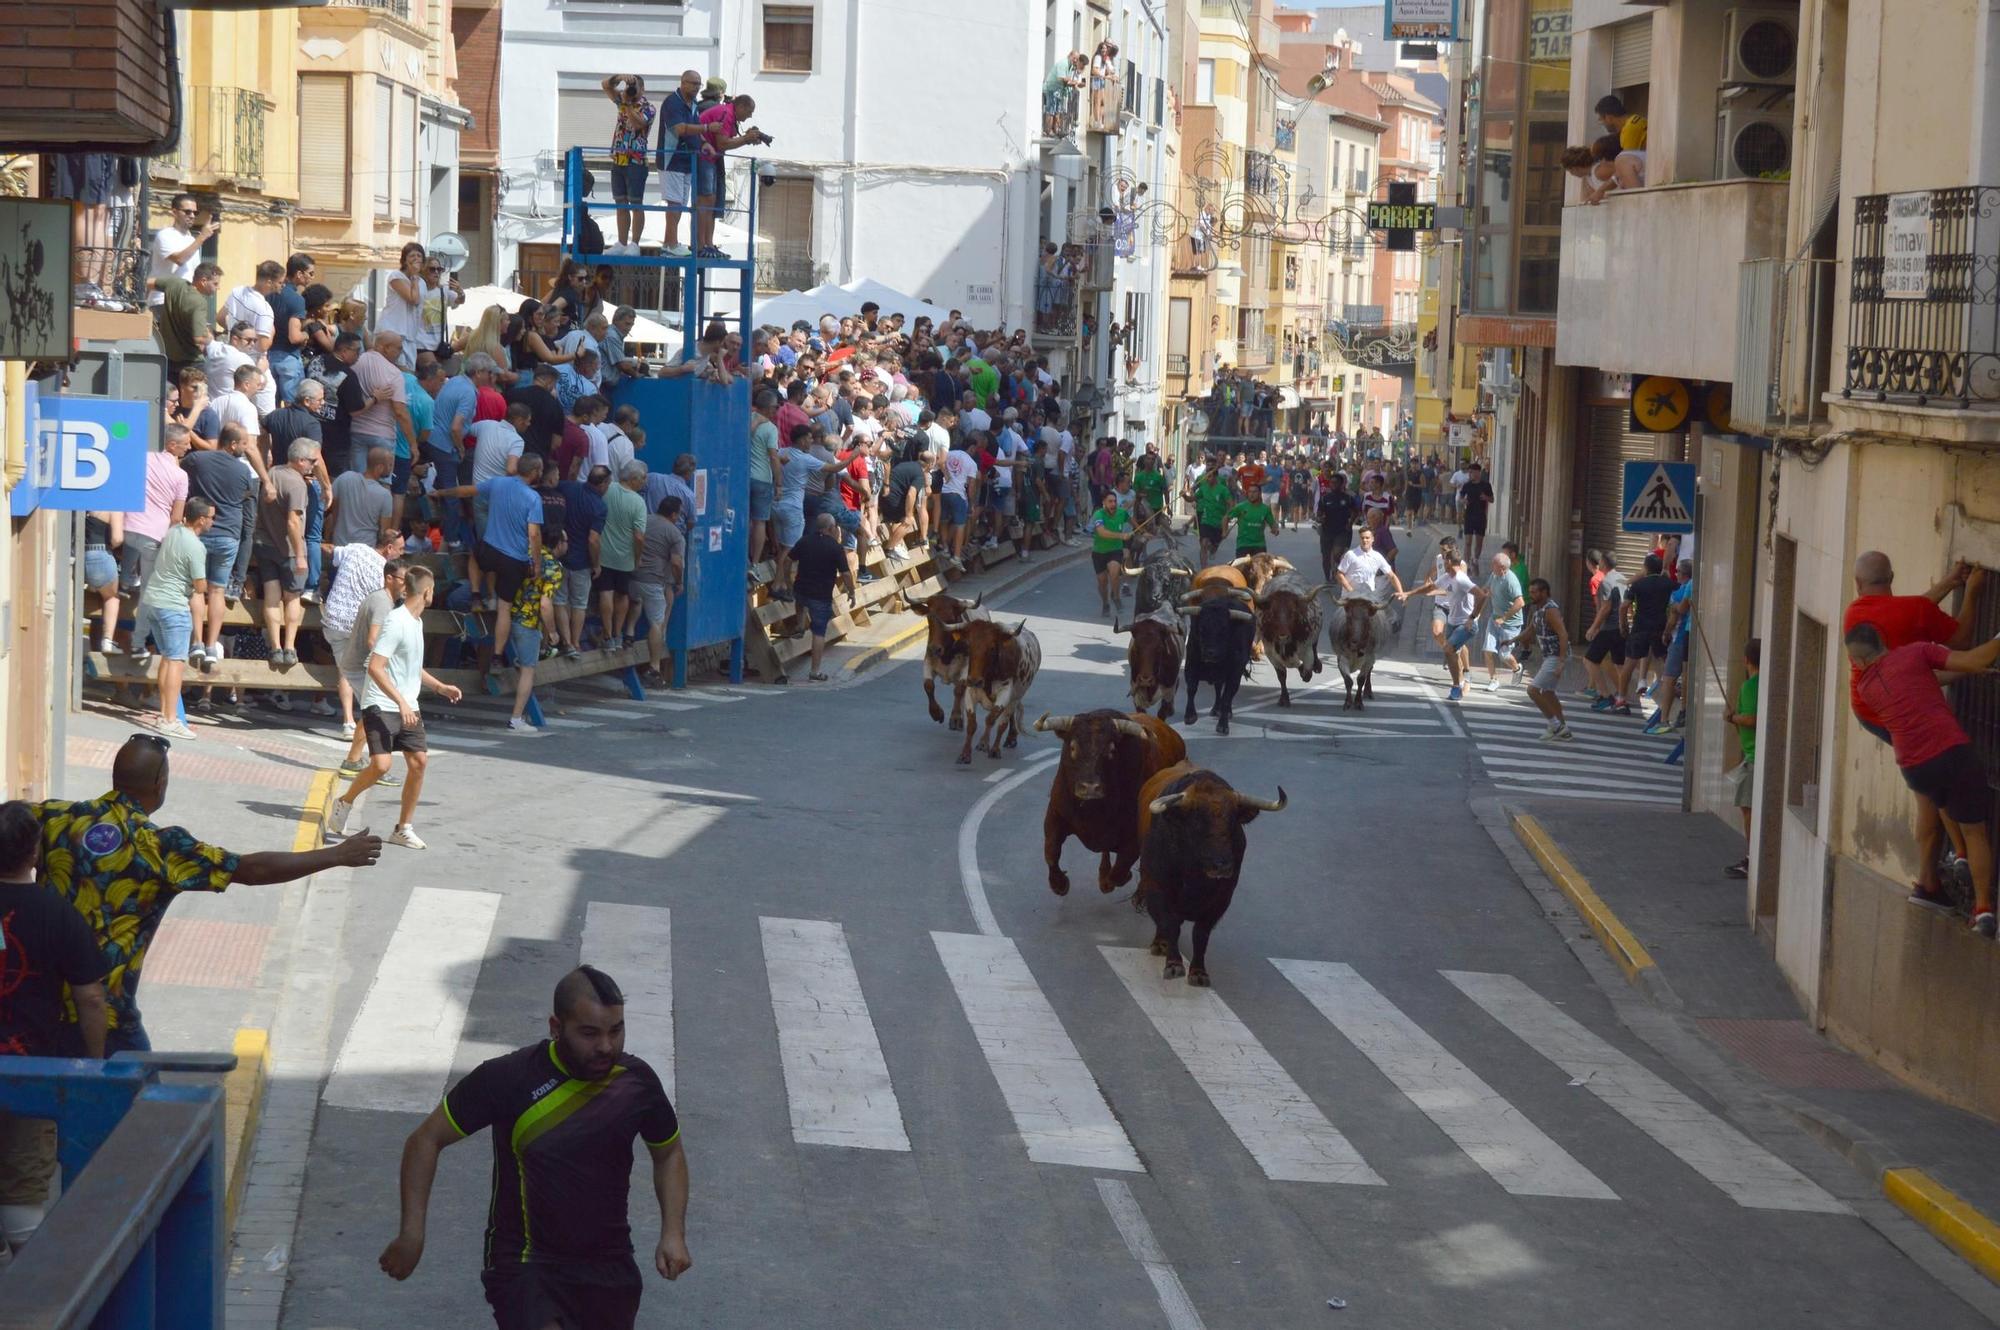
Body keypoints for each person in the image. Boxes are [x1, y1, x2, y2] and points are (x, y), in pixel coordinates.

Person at [377, 966, 690, 1327]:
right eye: (589, 1033)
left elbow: (668, 1152)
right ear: (556, 1028)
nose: (606, 1046)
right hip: (526, 1261)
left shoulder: (636, 1083)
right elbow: (425, 1140)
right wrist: (412, 1232)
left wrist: (673, 1232)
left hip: (608, 1264)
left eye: (616, 1030)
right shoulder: (510, 1079)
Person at [37, 735, 383, 1053]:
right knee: (141, 1112)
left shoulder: (54, 817)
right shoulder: (158, 846)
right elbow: (250, 870)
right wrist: (335, 855)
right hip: (106, 1017)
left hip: (38, 1004)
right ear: (161, 784)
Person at [0, 799, 110, 1260]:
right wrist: (95, 1062)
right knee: (24, 1180)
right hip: (31, 1068)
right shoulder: (56, 913)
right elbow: (91, 997)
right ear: (34, 853)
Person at [1845, 552, 1985, 900]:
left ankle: (1940, 872)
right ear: (1892, 577)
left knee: (1928, 788)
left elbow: (1911, 610)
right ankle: (1956, 858)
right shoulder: (1911, 612)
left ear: (1858, 584)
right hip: (1902, 711)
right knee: (1931, 794)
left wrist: (1950, 582)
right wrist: (1972, 593)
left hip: (1869, 707)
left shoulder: (1856, 612)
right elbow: (1963, 640)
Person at [1844, 623, 2000, 934]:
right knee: (1976, 831)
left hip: (1915, 768)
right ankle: (1983, 909)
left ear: (1858, 662)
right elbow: (1973, 661)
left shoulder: (1865, 689)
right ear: (1884, 639)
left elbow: (1911, 685)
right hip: (1952, 751)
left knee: (1938, 804)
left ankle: (1958, 858)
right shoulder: (1916, 652)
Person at [328, 567, 463, 850]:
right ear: (427, 592)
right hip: (380, 703)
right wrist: (400, 701)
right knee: (381, 765)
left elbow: (412, 668)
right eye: (433, 589)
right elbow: (376, 667)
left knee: (419, 762)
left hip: (406, 705)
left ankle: (403, 829)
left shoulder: (416, 623)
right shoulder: (395, 621)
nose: (433, 594)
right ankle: (344, 802)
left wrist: (440, 687)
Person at [323, 530, 406, 750]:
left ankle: (349, 721)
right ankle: (372, 718)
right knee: (363, 681)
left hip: (332, 619)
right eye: (400, 549)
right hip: (356, 626)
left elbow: (330, 550)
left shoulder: (357, 548)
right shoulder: (386, 574)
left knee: (345, 670)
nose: (402, 553)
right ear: (389, 549)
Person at [255, 439, 315, 668]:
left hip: (264, 543)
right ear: (301, 461)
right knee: (292, 598)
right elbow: (293, 522)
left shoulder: (273, 472)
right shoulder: (297, 485)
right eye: (312, 461)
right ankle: (289, 646)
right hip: (289, 550)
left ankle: (275, 647)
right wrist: (300, 555)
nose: (314, 465)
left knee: (271, 595)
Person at [693, 93, 770, 259]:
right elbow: (723, 143)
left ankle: (708, 243)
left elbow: (726, 140)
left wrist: (746, 138)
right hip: (703, 156)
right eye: (749, 112)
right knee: (705, 200)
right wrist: (746, 139)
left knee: (712, 202)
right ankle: (700, 245)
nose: (749, 116)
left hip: (712, 158)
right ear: (740, 107)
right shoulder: (725, 114)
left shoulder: (728, 114)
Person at [505, 529, 566, 732]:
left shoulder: (530, 555)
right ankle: (516, 718)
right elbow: (546, 604)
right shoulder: (555, 568)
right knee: (528, 671)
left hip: (510, 614)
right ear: (558, 544)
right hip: (529, 622)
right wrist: (553, 632)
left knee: (523, 664)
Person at [789, 511, 854, 682]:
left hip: (801, 589)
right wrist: (851, 591)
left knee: (800, 602)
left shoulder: (804, 541)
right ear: (831, 528)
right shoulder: (835, 547)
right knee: (819, 633)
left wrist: (787, 580)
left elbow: (789, 559)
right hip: (821, 595)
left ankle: (800, 625)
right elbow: (846, 574)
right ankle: (815, 671)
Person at [633, 496, 686, 688]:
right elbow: (676, 563)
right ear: (673, 514)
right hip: (654, 581)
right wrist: (679, 582)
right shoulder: (675, 534)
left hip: (632, 575)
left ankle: (627, 634)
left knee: (635, 604)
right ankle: (654, 667)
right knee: (656, 623)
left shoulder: (644, 519)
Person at [1613, 553, 1676, 716]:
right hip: (1660, 628)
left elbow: (1623, 606)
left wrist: (1623, 624)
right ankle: (1664, 705)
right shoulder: (1668, 584)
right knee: (1663, 666)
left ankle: (1621, 699)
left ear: (1645, 569)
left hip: (1640, 627)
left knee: (1629, 664)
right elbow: (1675, 603)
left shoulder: (1637, 585)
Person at [1514, 578, 1576, 742]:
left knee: (1533, 690)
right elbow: (1530, 630)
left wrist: (1561, 661)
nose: (1531, 595)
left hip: (1556, 656)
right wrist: (1513, 640)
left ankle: (1556, 725)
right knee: (1548, 693)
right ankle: (1563, 729)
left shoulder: (1551, 610)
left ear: (1544, 593)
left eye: (1534, 592)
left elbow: (1563, 635)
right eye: (1530, 592)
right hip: (1550, 655)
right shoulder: (1538, 611)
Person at [653, 69, 706, 258]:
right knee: (674, 202)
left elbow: (695, 132)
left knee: (681, 204)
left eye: (699, 84)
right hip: (671, 159)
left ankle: (670, 243)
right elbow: (680, 129)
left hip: (687, 161)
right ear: (683, 83)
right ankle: (671, 243)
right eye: (693, 83)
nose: (697, 87)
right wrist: (707, 128)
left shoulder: (694, 105)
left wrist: (705, 143)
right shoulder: (672, 102)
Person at [602, 75, 655, 253]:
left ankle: (634, 244)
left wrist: (627, 105)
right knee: (620, 203)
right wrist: (618, 78)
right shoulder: (622, 100)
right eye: (629, 87)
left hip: (636, 160)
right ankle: (621, 243)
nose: (631, 91)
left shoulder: (649, 108)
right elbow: (605, 86)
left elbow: (638, 123)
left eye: (635, 88)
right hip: (619, 158)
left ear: (643, 89)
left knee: (636, 203)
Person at [1725, 638, 1761, 879]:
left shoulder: (1750, 687)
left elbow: (1751, 719)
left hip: (1754, 756)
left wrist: (1732, 718)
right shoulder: (1763, 684)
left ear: (1746, 660)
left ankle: (1751, 859)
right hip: (1754, 754)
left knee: (1748, 810)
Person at [1647, 559, 1696, 735]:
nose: (1675, 574)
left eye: (1678, 572)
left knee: (1668, 678)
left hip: (1679, 638)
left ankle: (1664, 719)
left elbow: (1675, 616)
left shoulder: (1679, 591)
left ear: (1682, 574)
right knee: (1681, 675)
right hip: (1687, 637)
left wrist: (1666, 633)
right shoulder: (1694, 585)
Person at [153, 262, 223, 380]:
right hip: (191, 363)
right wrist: (210, 338)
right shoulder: (199, 303)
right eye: (215, 284)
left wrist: (143, 308)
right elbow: (198, 338)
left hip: (168, 358)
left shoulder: (176, 284)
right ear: (203, 281)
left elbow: (149, 283)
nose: (218, 288)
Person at [1472, 551, 1526, 691]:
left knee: (1504, 655)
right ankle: (1493, 680)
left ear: (1502, 568)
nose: (1491, 566)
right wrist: (1476, 612)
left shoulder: (1511, 580)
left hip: (1510, 624)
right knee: (1488, 650)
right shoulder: (1494, 575)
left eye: (1494, 564)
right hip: (1494, 619)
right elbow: (1486, 592)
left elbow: (1520, 602)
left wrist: (1504, 618)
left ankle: (1517, 668)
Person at [1582, 552, 1628, 706]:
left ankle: (1605, 694)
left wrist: (1593, 628)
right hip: (1621, 627)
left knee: (1589, 660)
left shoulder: (1606, 581)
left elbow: (1605, 608)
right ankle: (1621, 698)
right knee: (1619, 665)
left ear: (1602, 563)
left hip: (1609, 628)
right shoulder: (1622, 578)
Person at [1089, 489, 1134, 617]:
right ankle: (1105, 602)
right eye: (1110, 501)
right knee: (1102, 582)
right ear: (1104, 503)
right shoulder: (1098, 515)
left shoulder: (1121, 513)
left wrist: (1141, 531)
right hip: (1099, 552)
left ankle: (1116, 596)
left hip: (1115, 551)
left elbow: (1132, 521)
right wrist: (1121, 535)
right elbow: (1102, 532)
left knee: (1114, 573)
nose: (1113, 504)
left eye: (1114, 501)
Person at [1314, 469, 1359, 581]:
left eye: (1336, 483)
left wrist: (1350, 522)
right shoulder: (1325, 498)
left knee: (1337, 553)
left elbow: (1356, 511)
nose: (1333, 485)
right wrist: (1320, 518)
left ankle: (1336, 569)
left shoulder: (1348, 498)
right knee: (1325, 557)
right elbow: (1319, 513)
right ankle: (1327, 578)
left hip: (1342, 530)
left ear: (1341, 484)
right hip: (1327, 530)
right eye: (1332, 482)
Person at [1221, 478, 1277, 560]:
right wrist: (1224, 531)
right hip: (1243, 545)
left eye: (1254, 492)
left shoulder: (1265, 509)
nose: (1252, 494)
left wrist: (1275, 530)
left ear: (1259, 493)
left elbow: (1273, 524)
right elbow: (1226, 518)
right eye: (1250, 492)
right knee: (1240, 571)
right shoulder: (1240, 507)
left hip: (1259, 545)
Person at [1190, 462, 1232, 565]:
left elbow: (1230, 504)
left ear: (1216, 477)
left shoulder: (1223, 490)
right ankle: (1204, 569)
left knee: (1213, 545)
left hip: (1219, 522)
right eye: (1207, 477)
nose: (1208, 479)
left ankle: (1214, 547)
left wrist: (1228, 517)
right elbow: (1192, 498)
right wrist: (1184, 496)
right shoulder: (1203, 488)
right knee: (1203, 543)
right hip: (1206, 520)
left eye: (1210, 477)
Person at [1458, 463, 1494, 562]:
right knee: (1468, 542)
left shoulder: (1486, 485)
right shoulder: (1467, 485)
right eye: (1469, 473)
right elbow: (1460, 497)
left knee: (1479, 542)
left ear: (1478, 472)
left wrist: (1485, 497)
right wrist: (1463, 500)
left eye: (1471, 472)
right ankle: (1466, 563)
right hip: (1469, 515)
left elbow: (1492, 499)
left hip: (1481, 516)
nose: (1470, 475)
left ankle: (1475, 559)